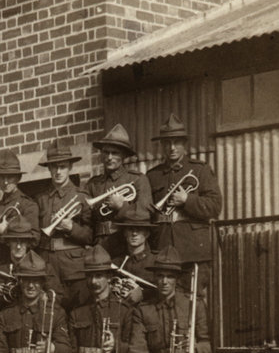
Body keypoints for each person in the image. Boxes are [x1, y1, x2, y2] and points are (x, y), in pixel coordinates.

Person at [146, 113, 222, 299]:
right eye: (167, 143)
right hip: (163, 248)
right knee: (164, 303)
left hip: (192, 251)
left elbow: (215, 206)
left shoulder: (200, 170)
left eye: (176, 142)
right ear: (162, 146)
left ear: (184, 144)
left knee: (193, 303)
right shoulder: (153, 175)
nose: (171, 148)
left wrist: (187, 200)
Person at [36, 141, 92, 313]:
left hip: (73, 266)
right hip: (48, 263)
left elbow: (91, 236)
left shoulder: (81, 197)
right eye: (54, 167)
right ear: (49, 169)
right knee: (51, 311)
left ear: (70, 167)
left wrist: (71, 228)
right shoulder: (41, 199)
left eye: (62, 166)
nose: (58, 172)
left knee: (79, 312)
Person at [85, 125, 152, 255]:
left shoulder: (137, 179)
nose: (109, 157)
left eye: (115, 153)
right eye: (106, 152)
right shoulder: (93, 184)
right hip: (99, 244)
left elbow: (145, 214)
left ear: (124, 156)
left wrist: (122, 206)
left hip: (125, 243)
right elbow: (87, 220)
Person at [0, 215, 63, 313]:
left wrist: (41, 296)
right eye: (14, 241)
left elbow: (58, 298)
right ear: (8, 242)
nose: (19, 246)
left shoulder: (45, 268)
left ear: (29, 243)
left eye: (23, 241)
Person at [0, 149, 39, 263]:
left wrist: (4, 232)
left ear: (18, 178)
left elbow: (35, 239)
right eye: (1, 177)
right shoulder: (0, 205)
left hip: (18, 263)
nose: (5, 182)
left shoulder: (28, 205)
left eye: (9, 177)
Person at [111, 203, 159, 305]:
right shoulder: (116, 262)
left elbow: (164, 291)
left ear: (147, 234)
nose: (134, 233)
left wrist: (143, 294)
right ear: (124, 233)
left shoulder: (156, 262)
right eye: (130, 229)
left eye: (139, 229)